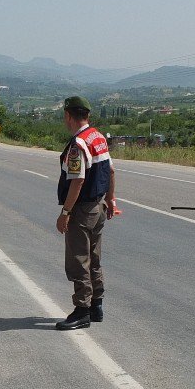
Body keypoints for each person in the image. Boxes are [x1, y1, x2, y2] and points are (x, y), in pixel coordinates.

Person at [54, 96, 117, 330]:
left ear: (69, 115)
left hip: (82, 210)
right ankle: (96, 305)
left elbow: (77, 181)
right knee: (95, 258)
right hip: (98, 207)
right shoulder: (97, 137)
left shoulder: (78, 144)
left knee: (79, 260)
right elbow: (110, 171)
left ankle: (82, 310)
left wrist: (65, 212)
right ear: (87, 115)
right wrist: (110, 199)